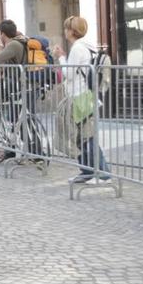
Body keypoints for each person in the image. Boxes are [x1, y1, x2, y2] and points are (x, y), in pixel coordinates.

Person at [51, 15, 111, 184]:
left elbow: (69, 74)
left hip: (80, 96)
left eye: (66, 28)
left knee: (87, 137)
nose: (65, 31)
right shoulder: (88, 46)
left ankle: (103, 174)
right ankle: (87, 172)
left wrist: (60, 57)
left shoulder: (78, 48)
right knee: (82, 136)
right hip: (87, 95)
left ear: (72, 31)